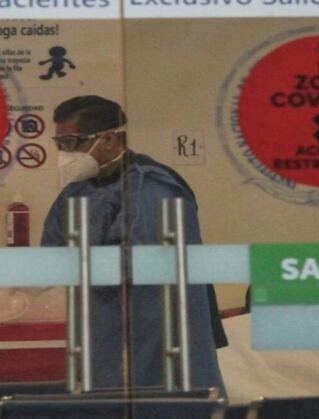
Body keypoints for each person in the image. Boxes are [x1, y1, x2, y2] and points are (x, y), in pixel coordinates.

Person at [41, 95, 226, 390]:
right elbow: (52, 252)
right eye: (59, 143)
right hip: (105, 329)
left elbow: (138, 264)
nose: (65, 153)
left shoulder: (153, 187)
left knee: (164, 399)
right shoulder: (78, 191)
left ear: (108, 139)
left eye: (71, 142)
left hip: (158, 328)